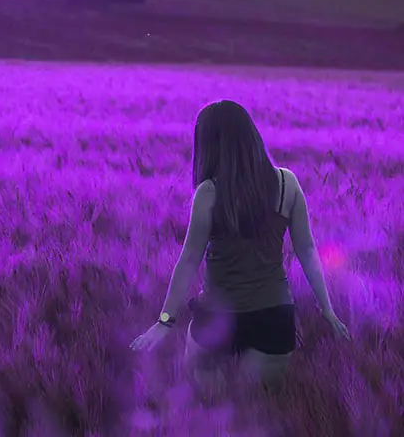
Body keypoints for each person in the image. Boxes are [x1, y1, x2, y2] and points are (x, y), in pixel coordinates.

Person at [129, 100, 351, 396]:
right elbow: (307, 250)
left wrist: (165, 322)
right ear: (251, 136)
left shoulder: (208, 193)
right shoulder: (288, 183)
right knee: (255, 411)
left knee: (204, 408)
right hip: (273, 319)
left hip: (216, 320)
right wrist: (328, 310)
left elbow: (189, 259)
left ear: (209, 144)